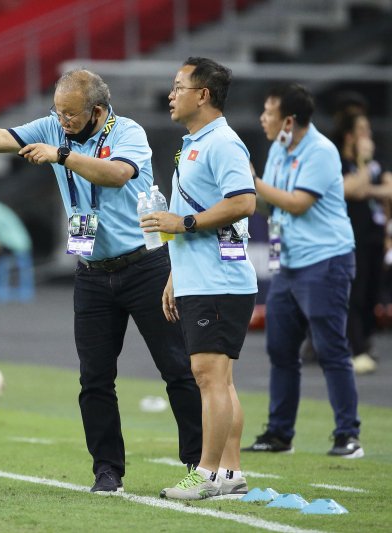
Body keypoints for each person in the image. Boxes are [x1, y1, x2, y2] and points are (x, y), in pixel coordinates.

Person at [0, 69, 202, 492]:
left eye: (70, 115)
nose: (61, 122)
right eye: (58, 113)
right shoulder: (51, 125)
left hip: (146, 267)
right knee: (94, 378)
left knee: (176, 369)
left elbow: (117, 174)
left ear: (97, 111)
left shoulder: (129, 132)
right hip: (93, 274)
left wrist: (61, 155)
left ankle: (198, 465)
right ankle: (107, 471)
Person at [147, 58, 257, 500]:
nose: (171, 95)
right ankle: (230, 473)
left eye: (178, 87)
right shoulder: (195, 142)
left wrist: (185, 223)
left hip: (220, 280)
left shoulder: (223, 143)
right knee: (219, 379)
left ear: (203, 94)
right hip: (200, 278)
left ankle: (206, 473)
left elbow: (244, 202)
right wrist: (176, 274)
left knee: (208, 376)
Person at [243, 83, 363, 458]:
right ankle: (280, 434)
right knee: (280, 350)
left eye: (268, 112)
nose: (263, 118)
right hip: (290, 264)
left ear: (288, 121)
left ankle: (348, 435)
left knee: (331, 349)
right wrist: (245, 193)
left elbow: (297, 204)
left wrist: (253, 181)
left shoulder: (322, 151)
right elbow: (273, 206)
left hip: (325, 261)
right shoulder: (280, 148)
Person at [335, 111, 392, 374]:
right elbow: (352, 189)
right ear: (349, 135)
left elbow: (388, 189)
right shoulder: (343, 160)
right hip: (350, 236)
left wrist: (366, 184)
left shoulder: (376, 162)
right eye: (362, 130)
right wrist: (364, 163)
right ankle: (354, 347)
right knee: (354, 293)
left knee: (372, 292)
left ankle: (365, 342)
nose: (367, 135)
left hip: (375, 235)